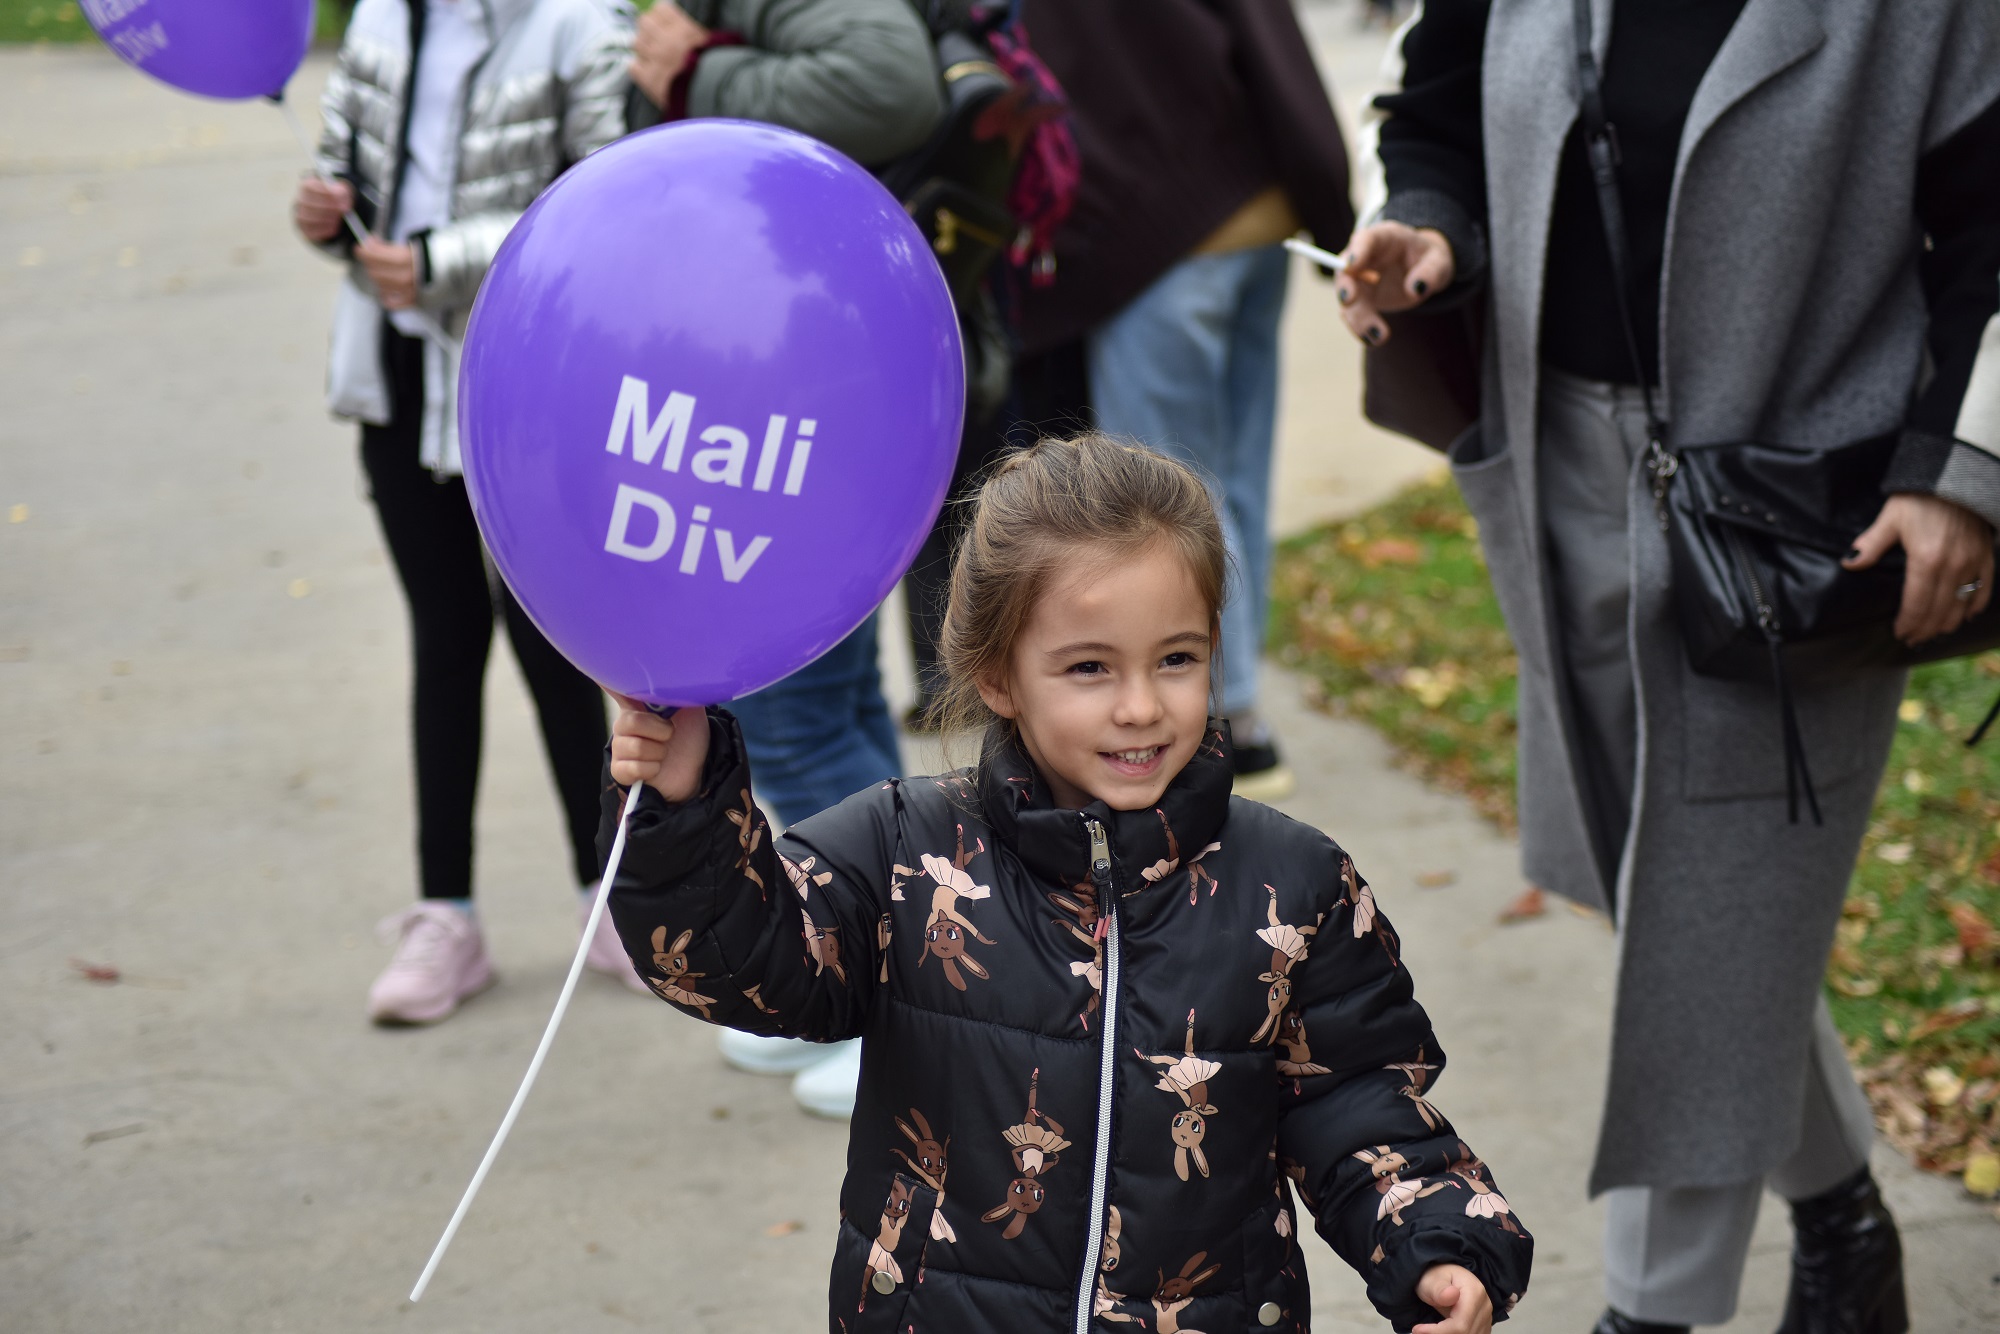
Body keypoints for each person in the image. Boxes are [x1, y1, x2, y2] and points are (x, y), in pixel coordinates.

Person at [1339, 2, 2000, 1331]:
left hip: (1798, 524)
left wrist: (1961, 468)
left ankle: (1650, 1309)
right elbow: (1437, 106)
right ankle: (1845, 1224)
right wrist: (1427, 223)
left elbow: (1993, 224)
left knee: (1706, 915)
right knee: (1685, 901)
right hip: (1559, 481)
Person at [600, 435, 1534, 1333]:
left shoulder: (1294, 883)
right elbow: (737, 964)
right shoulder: (903, 852)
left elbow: (1360, 1103)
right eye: (1089, 667)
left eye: (1177, 659)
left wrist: (1438, 1239)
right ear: (997, 676)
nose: (1141, 706)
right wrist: (686, 807)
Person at [623, 0, 946, 1113]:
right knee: (834, 704)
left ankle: (894, 1010)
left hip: (790, 393)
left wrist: (697, 74)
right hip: (769, 380)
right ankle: (844, 971)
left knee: (801, 714)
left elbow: (887, 81)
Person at [293, 0, 638, 1024]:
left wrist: (442, 256)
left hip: (530, 377)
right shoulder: (382, 19)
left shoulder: (580, 22)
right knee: (442, 638)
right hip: (400, 377)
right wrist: (327, 215)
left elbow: (611, 202)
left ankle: (608, 898)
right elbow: (344, 169)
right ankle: (445, 916)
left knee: (554, 640)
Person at [1011, 0, 1357, 801]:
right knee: (1230, 480)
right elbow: (1274, 48)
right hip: (1251, 213)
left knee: (1167, 502)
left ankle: (1228, 719)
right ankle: (1236, 710)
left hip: (1153, 242)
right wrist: (1328, 205)